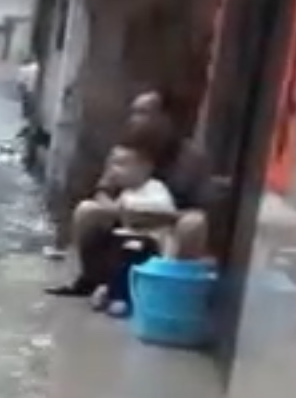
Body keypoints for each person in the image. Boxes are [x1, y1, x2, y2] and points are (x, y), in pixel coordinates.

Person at [50, 89, 215, 288]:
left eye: (143, 113)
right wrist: (116, 209)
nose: (134, 120)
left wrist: (160, 215)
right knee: (87, 210)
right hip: (124, 218)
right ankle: (91, 279)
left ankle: (169, 287)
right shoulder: (126, 149)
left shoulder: (191, 158)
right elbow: (103, 191)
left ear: (165, 118)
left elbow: (202, 210)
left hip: (167, 227)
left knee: (194, 223)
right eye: (133, 113)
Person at [64, 141, 184, 317]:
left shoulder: (154, 187)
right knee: (109, 251)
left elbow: (162, 208)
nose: (113, 170)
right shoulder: (127, 192)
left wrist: (126, 208)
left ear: (145, 168)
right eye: (112, 164)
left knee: (127, 258)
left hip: (148, 245)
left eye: (121, 164)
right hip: (125, 241)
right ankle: (102, 285)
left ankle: (120, 298)